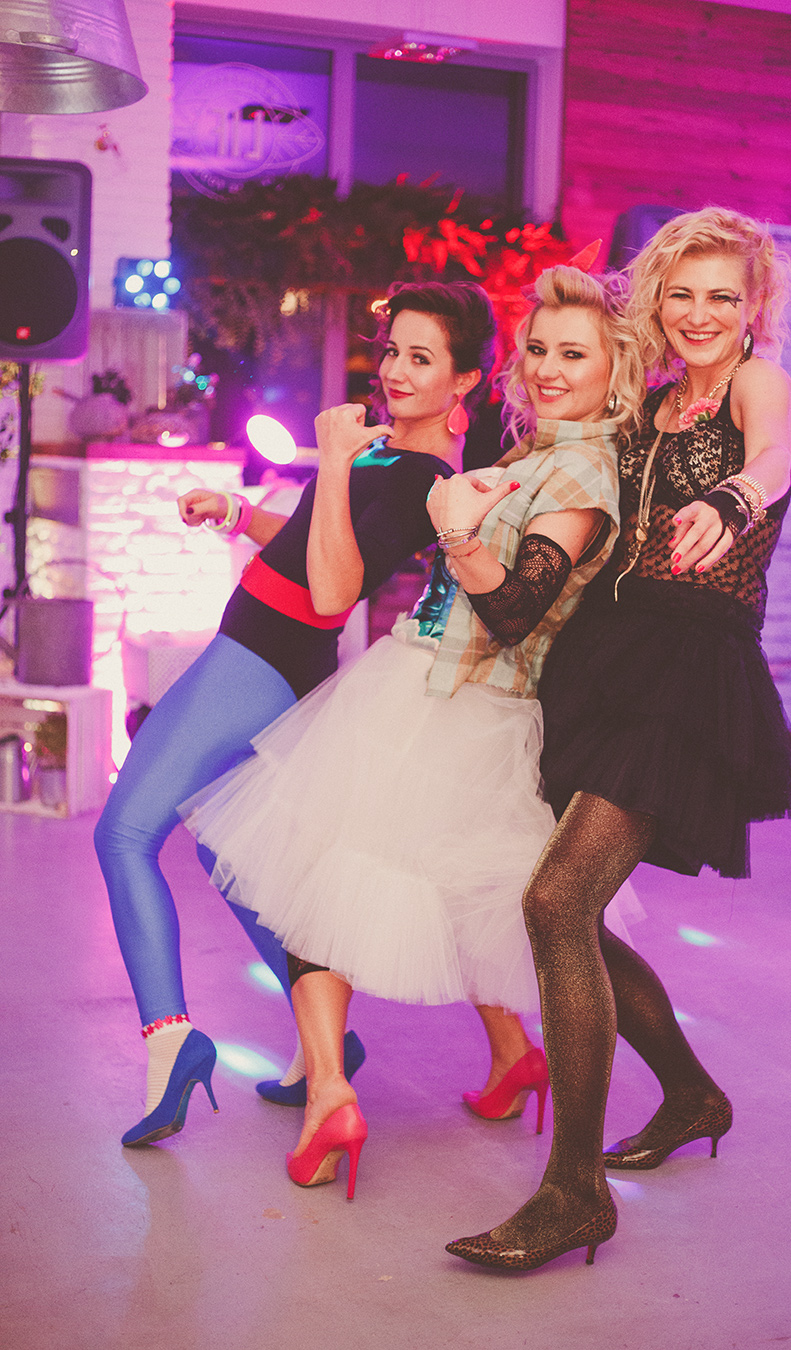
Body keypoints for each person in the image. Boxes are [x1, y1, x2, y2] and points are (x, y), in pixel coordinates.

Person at [182, 264, 646, 1196]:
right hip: (431, 680)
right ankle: (513, 1057)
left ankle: (329, 1095)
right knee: (443, 883)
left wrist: (459, 531)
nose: (548, 370)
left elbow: (513, 612)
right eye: (540, 350)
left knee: (318, 872)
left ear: (616, 371)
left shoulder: (581, 472)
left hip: (457, 698)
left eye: (574, 355)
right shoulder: (538, 451)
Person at [446, 207, 791, 1270]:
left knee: (556, 903)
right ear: (656, 298)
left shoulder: (759, 385)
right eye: (681, 293)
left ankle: (574, 1195)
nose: (700, 314)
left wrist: (736, 498)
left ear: (753, 306)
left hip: (688, 672)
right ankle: (691, 1092)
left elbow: (776, 455)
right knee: (579, 915)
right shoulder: (650, 401)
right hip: (604, 661)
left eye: (722, 296)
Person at [94, 279, 498, 1147]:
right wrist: (241, 512)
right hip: (262, 653)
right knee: (230, 848)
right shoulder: (383, 452)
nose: (396, 372)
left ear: (464, 380)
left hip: (263, 660)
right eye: (394, 352)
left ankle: (172, 1041)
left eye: (423, 359)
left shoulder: (423, 479)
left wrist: (335, 459)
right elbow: (316, 534)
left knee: (123, 834)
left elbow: (333, 589)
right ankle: (328, 1044)